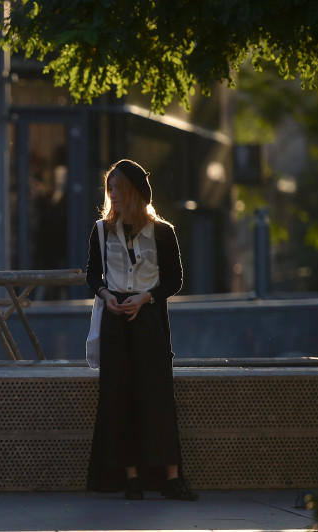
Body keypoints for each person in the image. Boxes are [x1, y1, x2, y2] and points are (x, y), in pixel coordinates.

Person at [85, 159, 196, 501]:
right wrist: (107, 296)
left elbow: (175, 280)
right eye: (110, 189)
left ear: (133, 191)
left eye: (117, 188)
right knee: (121, 397)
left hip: (149, 319)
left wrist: (145, 298)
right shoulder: (102, 230)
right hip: (115, 318)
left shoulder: (163, 231)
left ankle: (171, 478)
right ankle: (130, 477)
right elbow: (92, 275)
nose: (112, 195)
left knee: (158, 396)